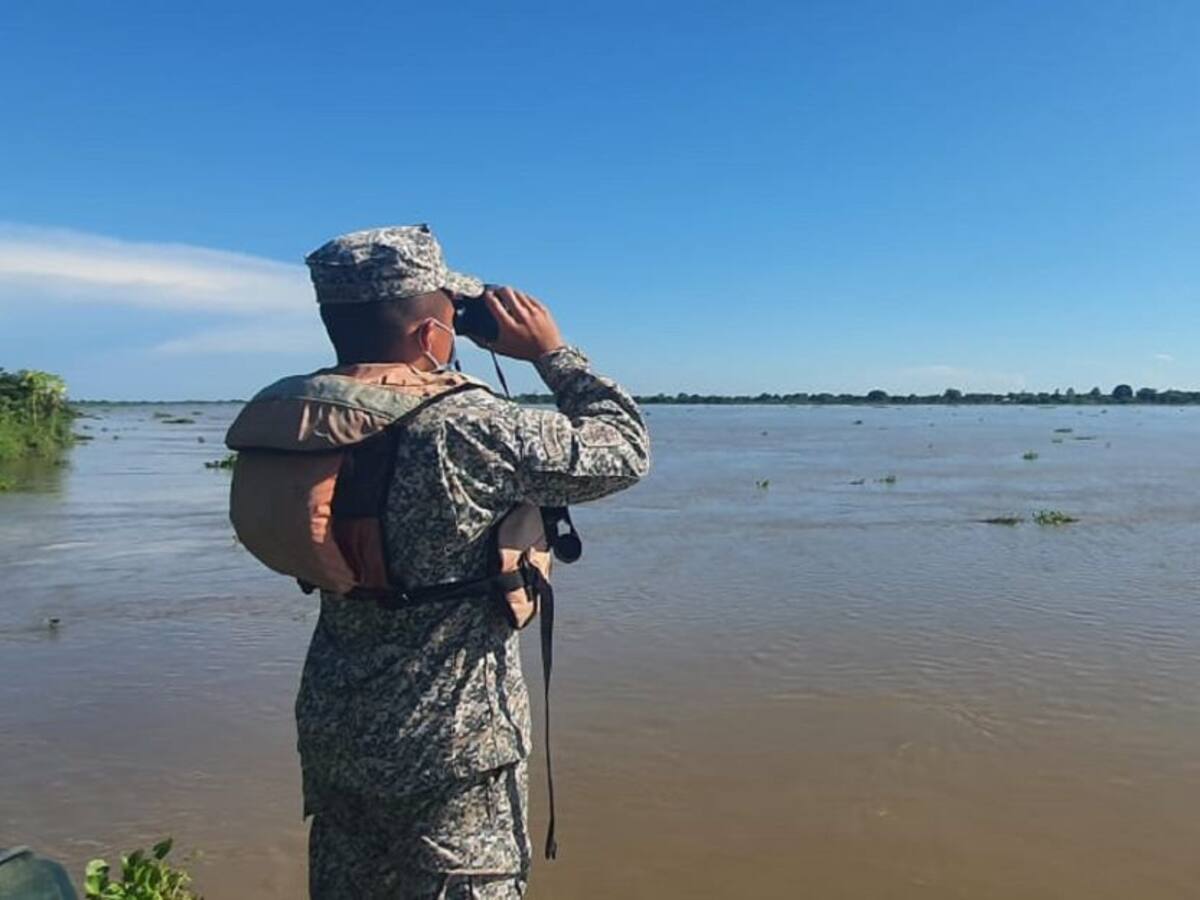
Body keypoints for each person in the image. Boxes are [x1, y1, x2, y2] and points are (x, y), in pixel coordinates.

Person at [295, 225, 650, 898]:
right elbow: (625, 449)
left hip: (334, 721)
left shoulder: (306, 418)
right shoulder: (469, 424)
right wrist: (553, 354)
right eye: (452, 318)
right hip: (452, 743)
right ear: (431, 337)